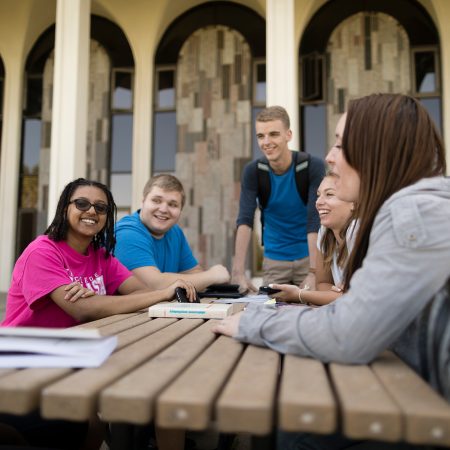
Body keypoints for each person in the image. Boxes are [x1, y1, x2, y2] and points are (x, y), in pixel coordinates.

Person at [213, 93, 450, 448]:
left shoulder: (413, 212)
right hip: (419, 390)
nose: (329, 157)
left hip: (432, 413)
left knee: (298, 427)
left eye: (341, 144)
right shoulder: (412, 205)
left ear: (375, 148)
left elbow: (347, 334)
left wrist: (249, 323)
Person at [2, 178, 198, 329]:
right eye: (81, 204)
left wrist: (97, 300)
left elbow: (142, 292)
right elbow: (82, 310)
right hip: (23, 353)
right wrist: (165, 293)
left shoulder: (102, 256)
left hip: (76, 348)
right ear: (64, 209)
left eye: (101, 207)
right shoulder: (41, 252)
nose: (92, 211)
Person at [231, 106, 325, 293]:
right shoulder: (254, 172)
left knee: (311, 309)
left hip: (309, 258)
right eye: (260, 136)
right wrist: (238, 272)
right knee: (271, 310)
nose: (266, 142)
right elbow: (245, 219)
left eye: (273, 134)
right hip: (274, 261)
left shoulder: (311, 166)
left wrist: (314, 272)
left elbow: (314, 218)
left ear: (288, 135)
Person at [114, 174, 230, 291]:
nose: (163, 209)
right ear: (143, 201)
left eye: (172, 204)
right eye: (156, 201)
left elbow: (194, 273)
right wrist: (213, 275)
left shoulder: (174, 232)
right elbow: (153, 285)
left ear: (180, 210)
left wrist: (204, 278)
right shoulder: (126, 233)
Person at [271, 173, 355, 306]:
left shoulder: (358, 230)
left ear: (353, 203)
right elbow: (322, 284)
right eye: (318, 195)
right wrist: (339, 295)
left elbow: (356, 299)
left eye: (329, 194)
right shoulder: (324, 233)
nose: (318, 202)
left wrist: (299, 294)